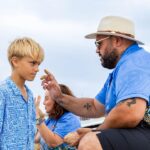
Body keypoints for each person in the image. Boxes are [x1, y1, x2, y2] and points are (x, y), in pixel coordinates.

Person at [40, 15, 150, 150]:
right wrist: (59, 97)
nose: (97, 50)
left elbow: (130, 113)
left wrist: (94, 131)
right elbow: (93, 106)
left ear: (117, 40)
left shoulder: (135, 62)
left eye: (99, 43)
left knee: (90, 142)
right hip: (140, 133)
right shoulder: (120, 72)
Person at [0, 37, 44, 149]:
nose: (37, 69)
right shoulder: (3, 92)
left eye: (38, 64)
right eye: (33, 63)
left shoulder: (29, 95)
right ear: (15, 61)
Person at [34, 83, 81, 150]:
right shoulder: (51, 119)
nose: (43, 103)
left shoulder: (70, 119)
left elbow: (54, 143)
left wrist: (37, 117)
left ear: (57, 100)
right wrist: (40, 118)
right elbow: (36, 139)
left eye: (46, 99)